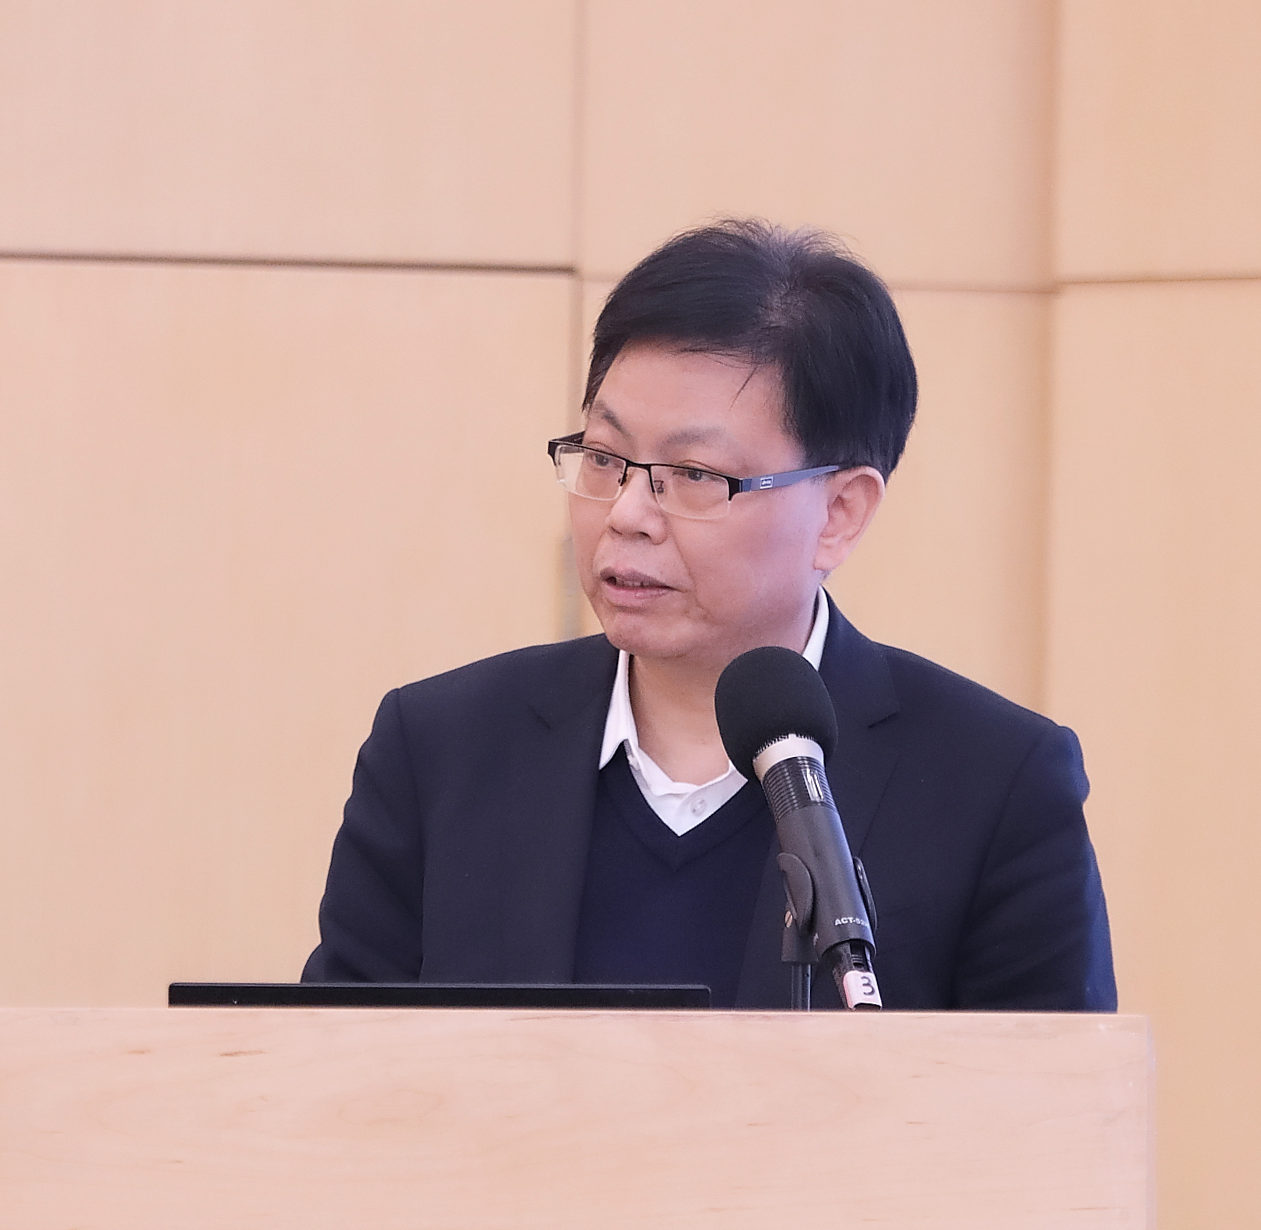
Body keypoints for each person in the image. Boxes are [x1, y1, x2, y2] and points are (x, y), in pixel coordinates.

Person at [302, 219, 1114, 1014]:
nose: (627, 513)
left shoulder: (993, 785)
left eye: (693, 474)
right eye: (604, 458)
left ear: (839, 513)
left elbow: (1051, 1098)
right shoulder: (439, 751)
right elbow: (332, 1076)